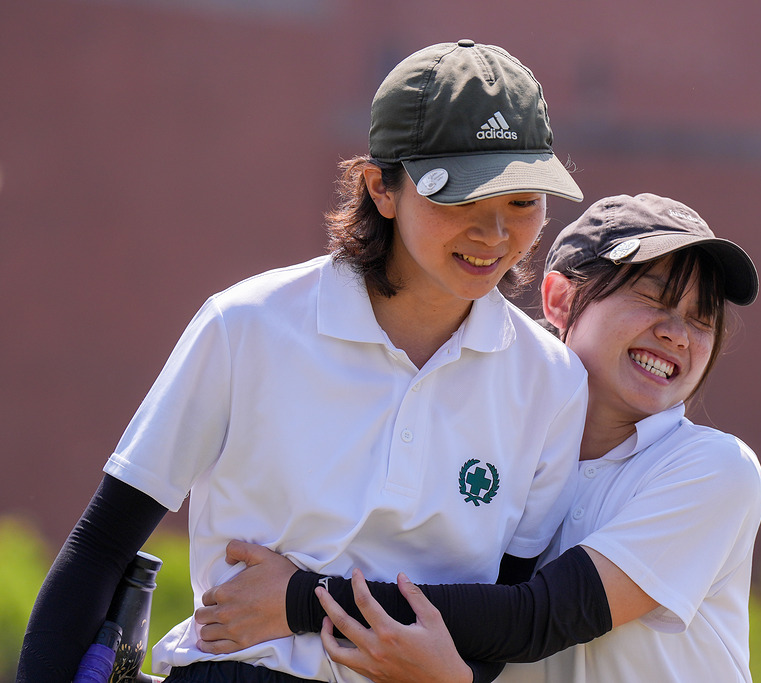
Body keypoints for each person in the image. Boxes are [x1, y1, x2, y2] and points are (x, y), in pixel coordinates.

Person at [16, 40, 588, 683]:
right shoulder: (246, 325)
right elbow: (102, 546)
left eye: (522, 202)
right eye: (460, 198)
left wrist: (306, 603)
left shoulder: (553, 382)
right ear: (381, 188)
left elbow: (501, 625)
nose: (494, 234)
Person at [194, 192, 761, 683]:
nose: (678, 335)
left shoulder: (714, 468)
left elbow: (538, 617)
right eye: (653, 298)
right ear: (560, 299)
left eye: (702, 318)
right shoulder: (499, 441)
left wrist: (299, 600)